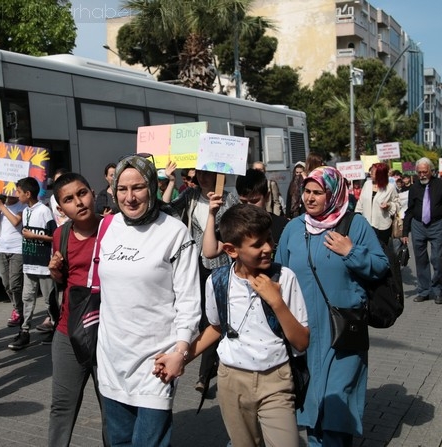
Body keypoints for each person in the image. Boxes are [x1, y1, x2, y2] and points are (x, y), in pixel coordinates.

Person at [170, 204, 308, 447]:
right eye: (257, 244)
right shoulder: (218, 281)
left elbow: (301, 341)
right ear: (231, 250)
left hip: (276, 378)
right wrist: (182, 357)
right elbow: (215, 328)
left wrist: (276, 302)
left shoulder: (284, 278)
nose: (268, 248)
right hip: (231, 379)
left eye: (269, 240)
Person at [275, 166, 388, 446]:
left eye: (318, 192)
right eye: (306, 191)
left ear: (334, 194)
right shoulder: (293, 228)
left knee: (337, 406)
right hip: (304, 334)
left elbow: (380, 266)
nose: (309, 198)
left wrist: (351, 252)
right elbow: (279, 275)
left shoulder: (354, 225)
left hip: (342, 332)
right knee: (311, 406)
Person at [96, 155, 201, 447]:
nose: (129, 198)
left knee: (148, 443)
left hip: (157, 361)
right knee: (118, 442)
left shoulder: (173, 232)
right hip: (112, 359)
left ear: (152, 187)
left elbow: (189, 299)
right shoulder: (107, 227)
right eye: (122, 189)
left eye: (138, 188)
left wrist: (181, 350)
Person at [163, 162, 239, 393]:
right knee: (207, 319)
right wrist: (170, 182)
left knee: (216, 320)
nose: (204, 178)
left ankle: (205, 375)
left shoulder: (230, 199)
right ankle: (206, 373)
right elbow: (165, 209)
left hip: (221, 264)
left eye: (209, 173)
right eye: (200, 173)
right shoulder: (191, 196)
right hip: (196, 263)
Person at [47, 172, 109, 447]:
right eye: (69, 199)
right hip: (69, 331)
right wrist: (55, 272)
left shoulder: (114, 227)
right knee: (62, 405)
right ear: (61, 209)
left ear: (93, 193)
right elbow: (64, 281)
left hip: (109, 333)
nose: (79, 202)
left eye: (82, 193)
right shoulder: (60, 235)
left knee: (111, 408)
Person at [8, 177, 57, 350]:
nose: (16, 195)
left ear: (28, 193)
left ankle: (55, 329)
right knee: (27, 297)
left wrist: (34, 236)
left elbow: (54, 236)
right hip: (29, 263)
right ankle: (24, 331)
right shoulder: (26, 211)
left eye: (19, 192)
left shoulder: (44, 211)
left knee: (50, 300)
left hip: (44, 264)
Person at [402, 157, 442, 305]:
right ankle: (424, 291)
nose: (422, 175)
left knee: (438, 259)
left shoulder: (441, 185)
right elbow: (410, 210)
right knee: (421, 260)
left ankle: (438, 290)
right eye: (419, 172)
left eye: (425, 172)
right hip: (418, 226)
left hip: (437, 225)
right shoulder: (414, 188)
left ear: (431, 171)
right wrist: (405, 232)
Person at [203, 168, 287, 258]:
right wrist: (212, 214)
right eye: (244, 202)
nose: (249, 206)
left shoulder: (283, 226)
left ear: (267, 196)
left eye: (254, 201)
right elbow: (210, 252)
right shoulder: (236, 225)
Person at [0, 194, 26, 327]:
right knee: (6, 284)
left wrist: (1, 206)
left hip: (17, 249)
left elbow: (16, 221)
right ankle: (17, 307)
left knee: (15, 284)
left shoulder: (21, 205)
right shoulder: (0, 207)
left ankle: (18, 311)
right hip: (3, 249)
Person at [355, 162, 400, 244]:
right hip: (366, 225)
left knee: (382, 249)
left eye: (372, 172)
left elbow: (397, 204)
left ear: (380, 174)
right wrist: (356, 217)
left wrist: (389, 206)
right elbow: (360, 202)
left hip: (382, 227)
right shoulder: (367, 184)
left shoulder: (390, 187)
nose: (370, 173)